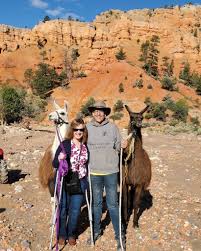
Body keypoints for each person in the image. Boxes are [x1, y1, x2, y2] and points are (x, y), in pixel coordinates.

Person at [86, 100, 126, 251]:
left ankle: (119, 235)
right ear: (92, 112)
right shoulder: (87, 128)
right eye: (96, 110)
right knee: (96, 204)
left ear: (105, 113)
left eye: (101, 110)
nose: (98, 113)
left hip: (110, 172)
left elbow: (118, 145)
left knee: (113, 205)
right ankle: (96, 230)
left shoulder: (113, 127)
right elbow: (78, 143)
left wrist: (123, 145)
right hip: (94, 172)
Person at [52, 118, 88, 246]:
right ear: (72, 130)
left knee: (75, 210)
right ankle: (61, 234)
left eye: (81, 129)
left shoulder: (85, 146)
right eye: (76, 129)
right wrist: (59, 158)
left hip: (80, 181)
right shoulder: (65, 144)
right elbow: (55, 163)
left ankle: (72, 234)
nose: (79, 132)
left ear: (84, 131)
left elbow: (86, 164)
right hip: (65, 181)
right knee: (63, 209)